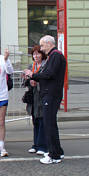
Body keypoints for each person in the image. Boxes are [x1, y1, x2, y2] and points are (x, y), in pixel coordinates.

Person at [24, 35, 66, 164]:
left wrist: (33, 75)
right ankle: (57, 151)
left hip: (51, 94)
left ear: (48, 43)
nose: (41, 48)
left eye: (42, 45)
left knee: (49, 124)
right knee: (51, 123)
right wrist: (35, 78)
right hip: (50, 93)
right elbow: (47, 74)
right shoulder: (53, 56)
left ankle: (54, 155)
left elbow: (49, 74)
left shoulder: (55, 55)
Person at [23, 45, 48, 156]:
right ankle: (36, 144)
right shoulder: (31, 66)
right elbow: (25, 82)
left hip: (42, 96)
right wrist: (28, 81)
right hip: (33, 97)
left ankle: (43, 146)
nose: (36, 56)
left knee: (42, 120)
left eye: (38, 53)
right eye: (34, 54)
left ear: (42, 55)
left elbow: (46, 79)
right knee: (35, 120)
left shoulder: (45, 65)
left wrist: (36, 81)